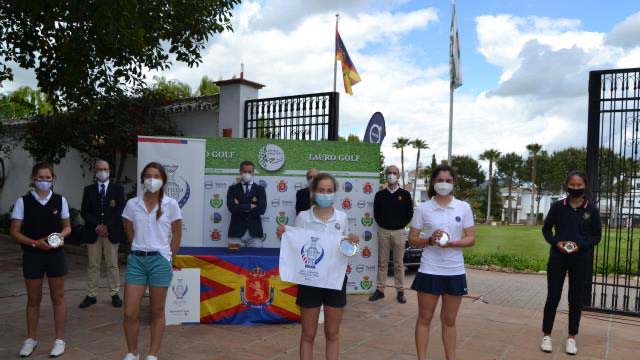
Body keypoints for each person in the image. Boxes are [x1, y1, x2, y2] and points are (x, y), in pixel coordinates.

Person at [276, 172, 359, 360]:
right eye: (321, 190)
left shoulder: (342, 218)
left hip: (335, 280)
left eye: (329, 190)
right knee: (308, 334)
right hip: (309, 281)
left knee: (332, 333)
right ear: (313, 192)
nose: (325, 194)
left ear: (335, 192)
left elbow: (344, 247)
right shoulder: (303, 217)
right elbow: (296, 246)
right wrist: (283, 234)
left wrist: (352, 242)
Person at [408, 165, 475, 360]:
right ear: (432, 183)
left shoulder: (463, 207)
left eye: (448, 180)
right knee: (424, 318)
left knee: (450, 320)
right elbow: (412, 239)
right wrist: (429, 240)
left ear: (454, 183)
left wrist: (453, 243)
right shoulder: (423, 208)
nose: (444, 184)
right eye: (439, 180)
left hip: (454, 270)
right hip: (430, 269)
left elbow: (471, 238)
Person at [121, 162, 182, 360]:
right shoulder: (132, 204)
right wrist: (138, 245)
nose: (152, 179)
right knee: (130, 311)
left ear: (163, 180)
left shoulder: (170, 204)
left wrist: (169, 257)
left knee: (156, 310)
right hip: (137, 261)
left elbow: (177, 232)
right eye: (148, 175)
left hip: (159, 261)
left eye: (156, 176)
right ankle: (132, 352)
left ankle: (152, 355)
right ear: (142, 180)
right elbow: (128, 229)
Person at [10, 162, 71, 357]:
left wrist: (59, 237)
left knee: (58, 298)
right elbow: (14, 231)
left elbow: (67, 227)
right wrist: (35, 243)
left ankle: (59, 340)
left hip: (55, 255)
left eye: (48, 178)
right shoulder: (23, 201)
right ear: (33, 178)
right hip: (33, 255)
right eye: (40, 177)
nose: (44, 181)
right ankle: (31, 339)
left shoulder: (60, 200)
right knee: (33, 299)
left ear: (53, 179)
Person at [540, 170, 601, 355]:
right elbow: (546, 230)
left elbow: (596, 235)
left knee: (575, 299)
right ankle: (547, 335)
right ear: (567, 186)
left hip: (580, 259)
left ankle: (572, 337)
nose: (575, 188)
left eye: (579, 185)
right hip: (558, 258)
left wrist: (580, 246)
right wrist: (556, 242)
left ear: (585, 186)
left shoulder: (592, 209)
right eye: (572, 185)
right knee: (553, 296)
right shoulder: (558, 206)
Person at [79, 159, 126, 308]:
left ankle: (115, 294)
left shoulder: (118, 189)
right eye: (99, 169)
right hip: (93, 233)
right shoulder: (88, 190)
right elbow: (84, 211)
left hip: (111, 233)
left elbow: (120, 211)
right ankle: (91, 295)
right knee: (93, 264)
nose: (102, 172)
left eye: (105, 169)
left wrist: (107, 226)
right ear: (95, 171)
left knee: (112, 265)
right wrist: (97, 226)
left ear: (109, 171)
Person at [370, 165, 413, 303]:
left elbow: (409, 214)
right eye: (389, 172)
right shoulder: (380, 195)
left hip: (400, 232)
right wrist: (385, 225)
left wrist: (399, 225)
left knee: (399, 263)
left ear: (398, 176)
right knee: (382, 262)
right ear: (386, 175)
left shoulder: (405, 195)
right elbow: (376, 214)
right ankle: (380, 290)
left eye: (394, 173)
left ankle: (400, 291)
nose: (391, 175)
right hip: (383, 232)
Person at [226, 160, 267, 248]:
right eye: (245, 171)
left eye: (249, 172)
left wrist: (239, 206)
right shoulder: (232, 189)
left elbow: (262, 209)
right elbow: (231, 208)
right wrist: (249, 206)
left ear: (253, 173)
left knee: (256, 260)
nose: (247, 174)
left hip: (255, 233)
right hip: (235, 233)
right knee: (233, 260)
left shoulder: (260, 189)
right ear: (240, 172)